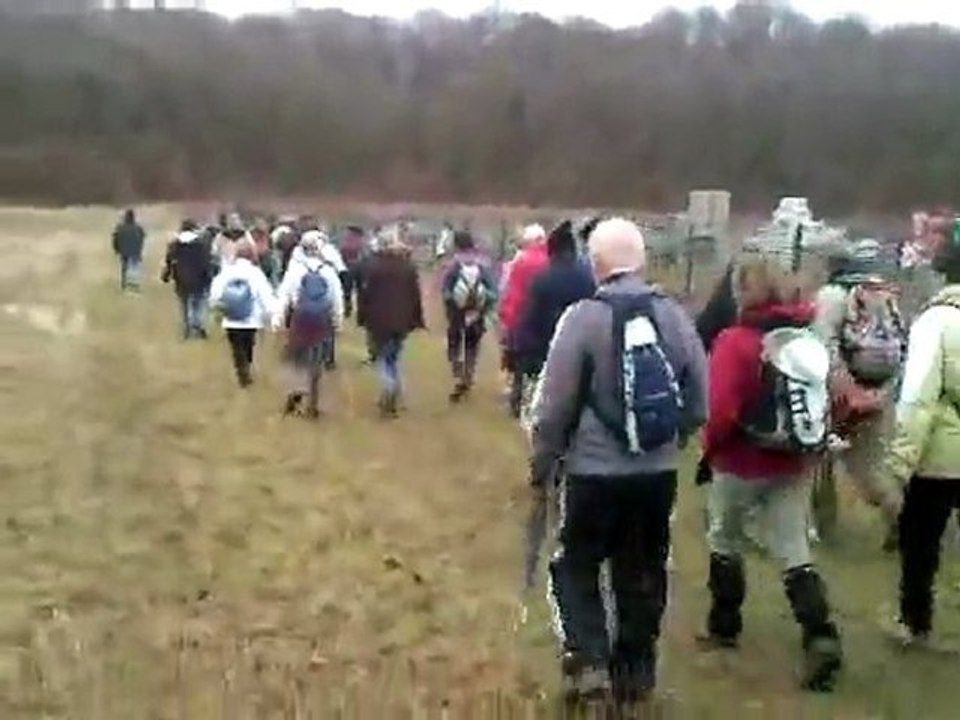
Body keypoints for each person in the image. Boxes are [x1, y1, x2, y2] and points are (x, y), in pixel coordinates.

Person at [530, 218, 707, 704]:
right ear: (643, 261)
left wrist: (542, 461)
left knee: (578, 564)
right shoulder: (675, 317)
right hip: (657, 473)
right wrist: (674, 442)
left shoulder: (582, 319)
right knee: (643, 569)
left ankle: (588, 662)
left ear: (596, 263)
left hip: (591, 472)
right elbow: (698, 402)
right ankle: (636, 671)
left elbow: (555, 404)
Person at [699, 257, 842, 692]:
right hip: (795, 460)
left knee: (725, 538)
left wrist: (709, 448)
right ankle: (820, 635)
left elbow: (721, 410)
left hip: (741, 459)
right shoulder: (806, 336)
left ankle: (725, 624)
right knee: (793, 547)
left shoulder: (735, 341)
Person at [883, 225, 960, 648]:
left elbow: (918, 399)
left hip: (941, 456)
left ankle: (915, 623)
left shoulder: (937, 321)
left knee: (921, 543)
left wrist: (900, 460)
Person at [814, 240, 907, 550]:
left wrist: (844, 389)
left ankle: (824, 526)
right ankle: (901, 517)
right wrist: (880, 393)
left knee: (819, 460)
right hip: (877, 389)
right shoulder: (882, 294)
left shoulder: (831, 296)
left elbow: (824, 344)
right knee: (870, 468)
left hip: (837, 394)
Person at [513, 219, 596, 430]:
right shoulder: (589, 278)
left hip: (546, 350)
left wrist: (520, 350)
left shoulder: (542, 279)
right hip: (582, 352)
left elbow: (531, 320)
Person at [275, 232, 344, 418]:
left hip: (300, 317)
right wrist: (338, 322)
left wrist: (278, 319)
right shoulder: (328, 270)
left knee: (296, 359)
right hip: (322, 319)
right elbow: (337, 298)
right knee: (317, 362)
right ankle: (313, 403)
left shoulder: (295, 269)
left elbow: (284, 295)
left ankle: (295, 391)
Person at [357, 236, 425, 417]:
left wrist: (361, 317)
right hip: (402, 321)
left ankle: (389, 388)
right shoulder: (409, 268)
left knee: (381, 358)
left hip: (378, 321)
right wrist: (417, 320)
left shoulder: (374, 267)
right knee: (394, 357)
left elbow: (365, 295)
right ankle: (396, 393)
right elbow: (415, 296)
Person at [208, 240, 278, 388]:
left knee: (236, 347)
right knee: (248, 345)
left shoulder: (227, 271)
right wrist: (271, 312)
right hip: (252, 319)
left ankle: (242, 371)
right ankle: (247, 366)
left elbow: (216, 292)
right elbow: (264, 294)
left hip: (231, 318)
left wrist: (215, 306)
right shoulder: (255, 272)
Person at [441, 231, 498, 403]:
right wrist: (484, 307)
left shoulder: (453, 265)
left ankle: (458, 373)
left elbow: (446, 291)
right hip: (477, 312)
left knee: (454, 344)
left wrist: (453, 303)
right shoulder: (483, 264)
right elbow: (493, 292)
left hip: (457, 313)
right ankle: (468, 376)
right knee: (472, 346)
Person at [499, 224, 550, 416]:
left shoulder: (522, 260)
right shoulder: (549, 261)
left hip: (520, 317)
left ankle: (516, 401)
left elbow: (513, 292)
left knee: (519, 363)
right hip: (544, 319)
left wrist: (507, 316)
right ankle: (536, 403)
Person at [161, 219, 214, 340]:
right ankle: (197, 325)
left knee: (184, 305)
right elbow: (206, 262)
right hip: (199, 279)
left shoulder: (174, 245)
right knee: (198, 304)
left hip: (181, 279)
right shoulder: (201, 244)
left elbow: (169, 262)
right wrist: (209, 277)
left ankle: (187, 328)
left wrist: (166, 275)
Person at [112, 208, 145, 292]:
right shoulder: (138, 228)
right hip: (135, 251)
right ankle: (133, 285)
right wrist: (140, 249)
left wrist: (116, 249)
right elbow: (142, 238)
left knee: (124, 267)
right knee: (134, 268)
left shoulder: (120, 227)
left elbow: (115, 239)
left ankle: (124, 284)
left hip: (124, 251)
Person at [339, 225, 366, 319]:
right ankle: (354, 310)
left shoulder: (347, 241)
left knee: (347, 290)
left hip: (350, 267)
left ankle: (348, 308)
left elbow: (342, 252)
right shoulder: (358, 241)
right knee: (359, 290)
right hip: (355, 267)